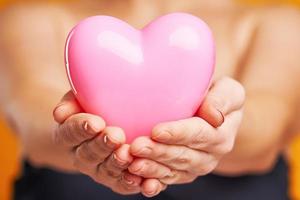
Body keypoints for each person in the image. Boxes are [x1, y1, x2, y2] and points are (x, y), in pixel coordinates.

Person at [0, 0, 299, 199]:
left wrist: (219, 130)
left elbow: (269, 129)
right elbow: (32, 118)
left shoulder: (280, 24)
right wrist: (71, 137)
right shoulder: (33, 19)